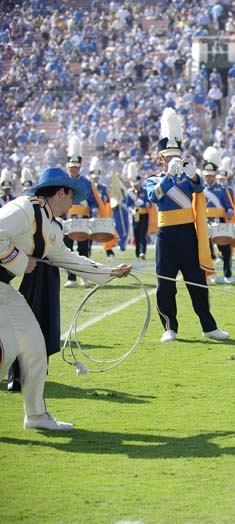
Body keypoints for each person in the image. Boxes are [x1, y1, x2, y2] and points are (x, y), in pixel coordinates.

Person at [0, 167, 132, 429]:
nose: (73, 204)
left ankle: (36, 416)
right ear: (60, 192)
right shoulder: (24, 208)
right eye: (71, 197)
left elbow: (68, 258)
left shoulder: (51, 225)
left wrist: (110, 272)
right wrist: (19, 260)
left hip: (3, 287)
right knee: (8, 348)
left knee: (35, 348)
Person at [145, 108, 229, 343]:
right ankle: (169, 327)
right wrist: (167, 177)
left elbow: (200, 189)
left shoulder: (187, 178)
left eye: (176, 157)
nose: (173, 161)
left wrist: (193, 177)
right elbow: (154, 196)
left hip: (187, 234)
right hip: (166, 236)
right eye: (169, 158)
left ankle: (209, 326)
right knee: (165, 283)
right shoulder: (153, 178)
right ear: (161, 159)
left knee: (197, 281)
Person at [62, 134, 99, 287]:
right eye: (72, 167)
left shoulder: (86, 182)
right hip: (68, 218)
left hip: (83, 218)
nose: (74, 170)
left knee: (83, 249)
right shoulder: (63, 181)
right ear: (68, 167)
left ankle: (84, 276)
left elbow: (92, 201)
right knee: (68, 249)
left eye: (76, 167)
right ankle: (71, 278)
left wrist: (94, 212)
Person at [202, 146, 234, 284]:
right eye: (206, 175)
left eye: (211, 175)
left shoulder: (221, 189)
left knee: (225, 249)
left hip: (219, 221)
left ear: (215, 175)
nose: (208, 177)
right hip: (204, 221)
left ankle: (228, 273)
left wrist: (229, 210)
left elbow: (228, 204)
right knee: (208, 251)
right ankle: (210, 274)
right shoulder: (199, 190)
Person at [125, 162, 151, 260]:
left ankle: (142, 252)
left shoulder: (144, 191)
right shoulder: (130, 192)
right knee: (136, 234)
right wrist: (131, 210)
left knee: (143, 234)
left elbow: (149, 203)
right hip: (135, 214)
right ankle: (137, 253)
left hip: (144, 214)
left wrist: (143, 203)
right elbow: (128, 204)